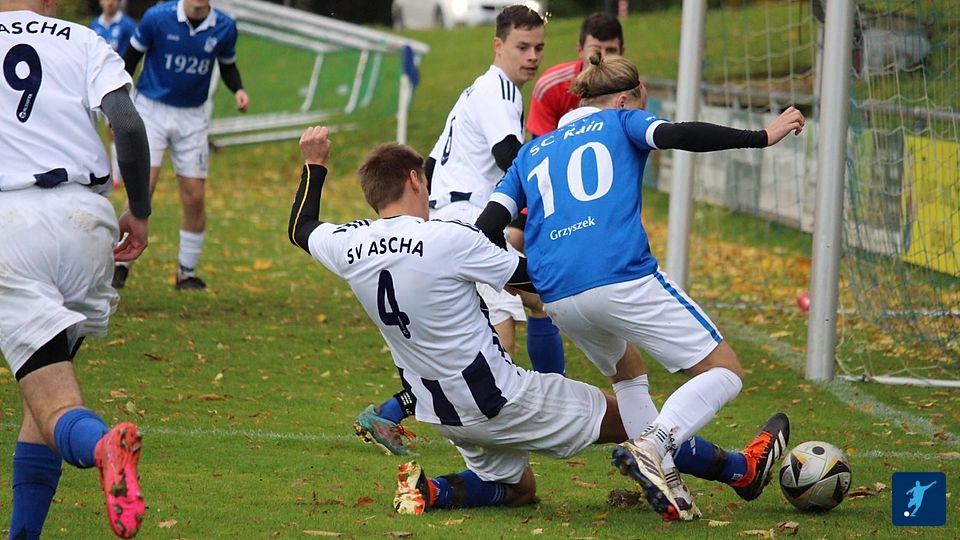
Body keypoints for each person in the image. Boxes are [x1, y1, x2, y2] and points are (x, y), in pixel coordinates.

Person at [288, 126, 788, 517]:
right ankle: (740, 470)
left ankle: (429, 491)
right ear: (417, 179)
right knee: (634, 420)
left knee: (518, 489)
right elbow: (531, 277)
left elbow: (301, 227)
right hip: (499, 399)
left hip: (440, 414)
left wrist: (314, 165)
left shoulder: (348, 244)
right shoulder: (446, 237)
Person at [476, 53, 804, 520]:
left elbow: (486, 228)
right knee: (725, 370)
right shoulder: (622, 121)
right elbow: (679, 134)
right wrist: (762, 136)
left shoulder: (531, 152)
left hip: (559, 297)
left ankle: (670, 489)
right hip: (620, 275)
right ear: (625, 99)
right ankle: (654, 444)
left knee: (627, 374)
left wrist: (523, 277)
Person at [354, 4, 565, 456]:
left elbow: (430, 163)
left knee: (520, 314)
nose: (532, 56)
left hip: (454, 222)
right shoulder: (499, 92)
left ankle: (390, 412)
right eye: (522, 47)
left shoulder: (476, 90)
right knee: (509, 327)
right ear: (498, 45)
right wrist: (552, 196)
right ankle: (550, 408)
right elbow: (511, 156)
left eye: (539, 48)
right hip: (470, 225)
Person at [1, 0, 152, 537]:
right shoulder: (83, 39)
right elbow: (127, 125)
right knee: (41, 392)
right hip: (87, 224)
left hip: (11, 225)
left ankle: (103, 445)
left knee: (55, 403)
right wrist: (140, 209)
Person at [114, 0, 250, 290]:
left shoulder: (225, 26)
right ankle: (120, 265)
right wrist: (118, 104)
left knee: (194, 196)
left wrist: (238, 89)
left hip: (192, 116)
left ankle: (186, 272)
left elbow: (228, 65)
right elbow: (129, 60)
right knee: (142, 188)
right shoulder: (156, 18)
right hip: (151, 109)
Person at [526, 12, 643, 139]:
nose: (603, 57)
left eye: (611, 50)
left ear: (622, 53)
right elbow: (541, 146)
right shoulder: (550, 86)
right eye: (595, 50)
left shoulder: (633, 88)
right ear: (580, 50)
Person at [90, 0, 137, 187]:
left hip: (118, 84)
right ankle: (109, 171)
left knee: (119, 129)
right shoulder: (95, 25)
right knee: (100, 130)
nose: (110, 3)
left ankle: (120, 174)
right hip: (96, 84)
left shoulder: (127, 25)